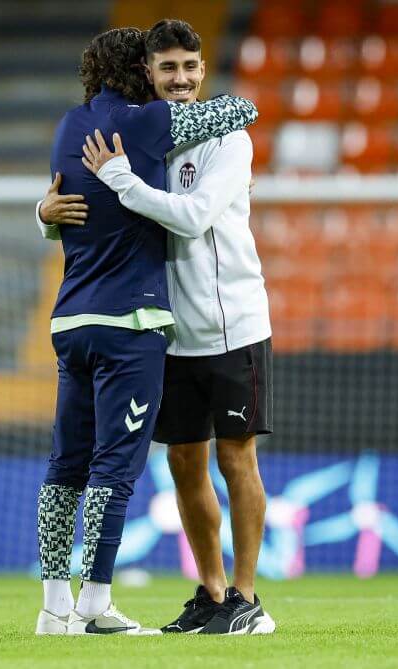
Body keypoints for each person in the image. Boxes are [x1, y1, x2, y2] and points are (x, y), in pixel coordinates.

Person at [38, 19, 274, 635]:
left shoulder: (226, 139)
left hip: (231, 324)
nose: (181, 79)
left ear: (202, 70)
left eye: (191, 68)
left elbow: (194, 217)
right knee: (184, 468)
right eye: (168, 68)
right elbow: (75, 186)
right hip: (165, 330)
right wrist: (43, 208)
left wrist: (121, 180)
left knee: (237, 460)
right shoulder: (147, 132)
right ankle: (211, 593)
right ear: (147, 72)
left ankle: (246, 598)